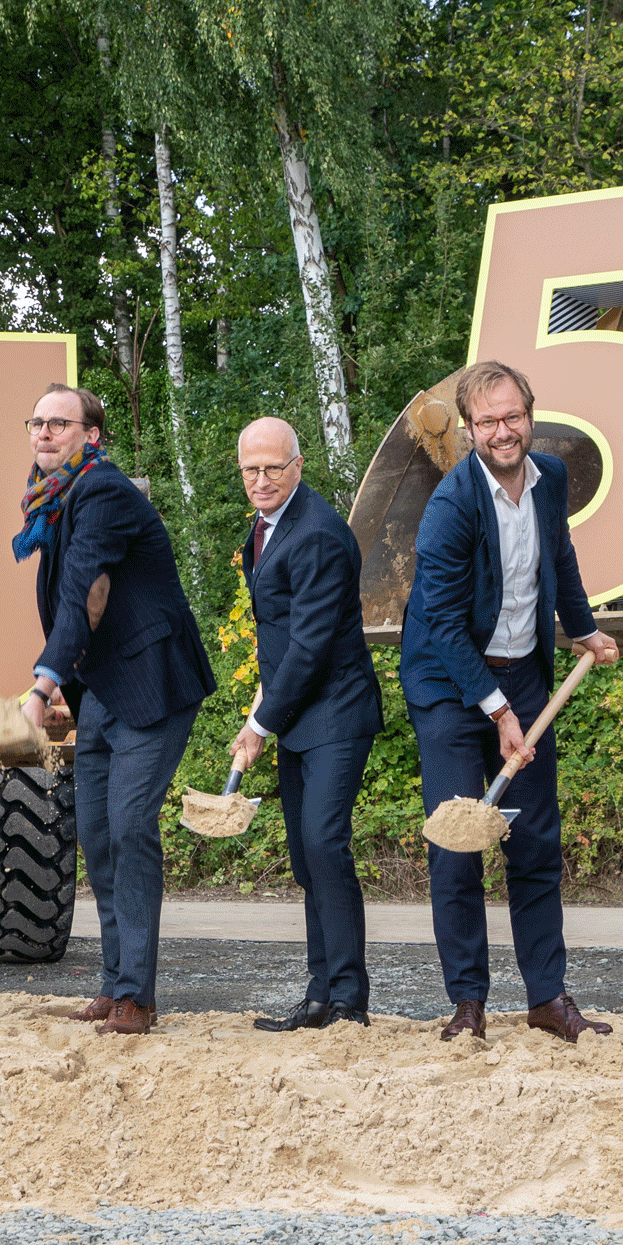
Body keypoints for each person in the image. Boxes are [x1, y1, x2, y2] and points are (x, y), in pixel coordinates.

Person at [400, 359, 621, 1043]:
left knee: (534, 837)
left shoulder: (550, 479)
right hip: (447, 680)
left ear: (530, 415)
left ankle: (547, 997)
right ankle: (468, 1002)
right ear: (469, 429)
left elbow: (559, 560)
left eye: (513, 416)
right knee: (459, 838)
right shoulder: (451, 505)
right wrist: (497, 712)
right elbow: (439, 621)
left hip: (524, 670)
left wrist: (583, 630)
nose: (504, 431)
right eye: (488, 421)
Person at [17, 383, 215, 1036]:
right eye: (37, 422)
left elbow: (80, 592)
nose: (45, 433)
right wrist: (67, 679)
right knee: (96, 835)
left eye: (60, 423)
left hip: (154, 680)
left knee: (130, 826)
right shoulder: (54, 499)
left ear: (92, 436)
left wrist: (43, 685)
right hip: (103, 686)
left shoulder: (100, 490)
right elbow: (86, 599)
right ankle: (113, 981)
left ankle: (137, 996)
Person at [226, 417, 384, 1031]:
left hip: (337, 713)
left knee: (323, 843)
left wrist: (260, 726)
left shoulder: (316, 534)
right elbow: (282, 639)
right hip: (296, 712)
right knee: (304, 854)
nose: (260, 480)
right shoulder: (265, 528)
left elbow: (314, 644)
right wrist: (263, 709)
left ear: (298, 466)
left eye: (272, 468)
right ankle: (322, 994)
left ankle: (347, 998)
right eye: (250, 470)